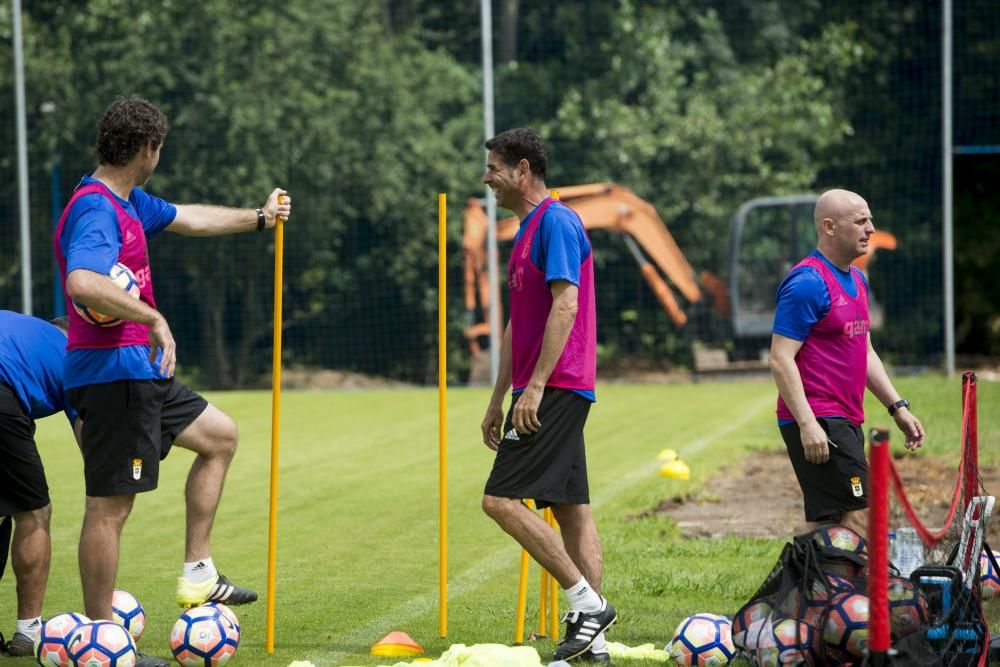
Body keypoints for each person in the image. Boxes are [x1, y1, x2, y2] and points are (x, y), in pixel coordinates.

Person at [53, 97, 291, 660]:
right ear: (146, 149)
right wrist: (153, 317)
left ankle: (198, 573)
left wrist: (260, 218)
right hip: (113, 376)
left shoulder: (130, 202)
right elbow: (83, 282)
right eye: (159, 147)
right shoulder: (96, 208)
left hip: (142, 373)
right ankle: (102, 637)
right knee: (109, 507)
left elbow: (189, 216)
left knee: (220, 436)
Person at [479, 128, 616, 663]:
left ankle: (586, 604)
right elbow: (521, 323)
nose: (486, 177)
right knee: (572, 510)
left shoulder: (556, 220)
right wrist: (498, 399)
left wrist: (534, 387)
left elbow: (566, 306)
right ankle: (593, 645)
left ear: (522, 170)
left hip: (556, 385)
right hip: (542, 385)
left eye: (493, 167)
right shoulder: (525, 230)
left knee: (499, 500)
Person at [769, 188, 925, 539]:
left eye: (870, 219)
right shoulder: (808, 282)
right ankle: (844, 592)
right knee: (862, 516)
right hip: (821, 418)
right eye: (860, 221)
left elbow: (865, 352)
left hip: (845, 416)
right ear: (829, 226)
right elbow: (780, 359)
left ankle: (807, 591)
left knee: (828, 521)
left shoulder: (857, 280)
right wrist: (808, 424)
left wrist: (897, 407)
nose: (871, 228)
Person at [0, 313, 79, 657]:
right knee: (32, 512)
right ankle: (29, 633)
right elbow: (90, 444)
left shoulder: (23, 331)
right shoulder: (73, 354)